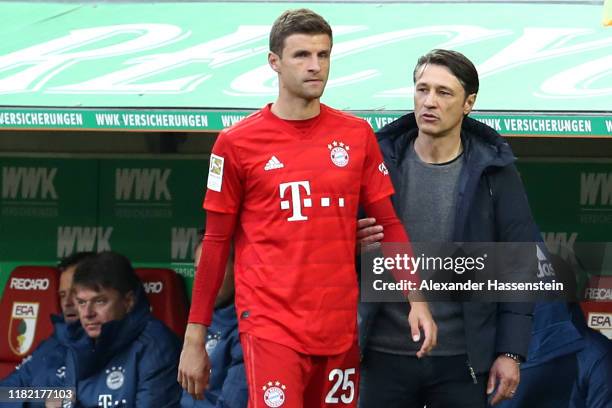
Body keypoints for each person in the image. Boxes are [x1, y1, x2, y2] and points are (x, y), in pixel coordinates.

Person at [178, 8, 436, 408]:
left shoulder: (356, 135)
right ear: (274, 62)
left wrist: (416, 301)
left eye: (323, 55)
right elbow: (216, 242)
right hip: (270, 325)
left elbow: (389, 223)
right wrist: (195, 336)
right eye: (301, 55)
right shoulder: (236, 143)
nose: (315, 66)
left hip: (338, 326)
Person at [358, 49, 536, 407]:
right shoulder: (376, 159)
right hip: (381, 353)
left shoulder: (494, 170)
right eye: (422, 89)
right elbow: (326, 244)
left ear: (468, 103)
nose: (429, 102)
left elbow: (520, 264)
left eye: (444, 92)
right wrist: (351, 242)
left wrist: (511, 352)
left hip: (463, 360)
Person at [40, 251, 181, 408]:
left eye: (99, 301)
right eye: (81, 302)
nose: (87, 314)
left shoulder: (156, 346)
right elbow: (11, 393)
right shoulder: (78, 340)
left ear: (128, 301)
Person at [0, 252, 95, 397]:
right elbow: (4, 392)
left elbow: (81, 398)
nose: (67, 302)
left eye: (75, 293)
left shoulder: (108, 346)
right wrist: (42, 398)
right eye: (62, 295)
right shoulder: (52, 343)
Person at [180, 230, 247, 407]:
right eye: (198, 272)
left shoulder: (247, 330)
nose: (203, 282)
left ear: (238, 268)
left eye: (212, 271)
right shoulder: (198, 324)